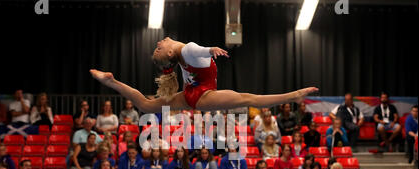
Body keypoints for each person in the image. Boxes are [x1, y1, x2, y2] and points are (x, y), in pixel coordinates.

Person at [90, 38, 318, 113]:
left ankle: (112, 82)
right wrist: (211, 50)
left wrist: (208, 51)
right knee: (249, 99)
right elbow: (196, 51)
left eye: (157, 45)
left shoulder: (178, 57)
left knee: (146, 106)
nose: (159, 42)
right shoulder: (186, 49)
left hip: (191, 94)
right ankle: (295, 95)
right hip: (202, 96)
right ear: (169, 52)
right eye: (159, 47)